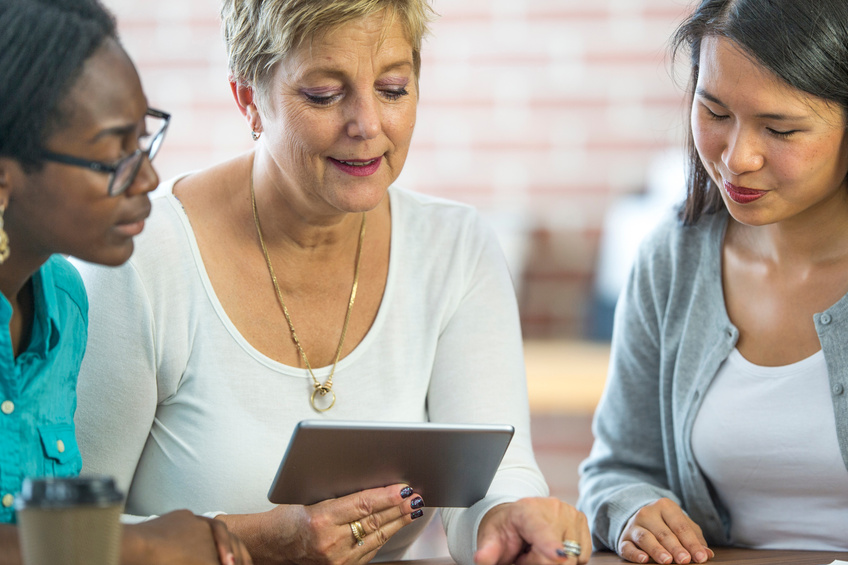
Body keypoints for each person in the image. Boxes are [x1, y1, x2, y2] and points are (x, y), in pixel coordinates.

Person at [69, 0, 592, 564]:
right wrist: (261, 544)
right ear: (249, 98)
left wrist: (506, 519)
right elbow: (66, 533)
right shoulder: (142, 255)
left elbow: (490, 482)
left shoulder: (456, 248)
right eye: (323, 94)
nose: (367, 125)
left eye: (393, 88)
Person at [577, 0, 848, 563]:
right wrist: (632, 510)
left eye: (780, 128)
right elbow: (618, 467)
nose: (737, 158)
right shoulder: (672, 260)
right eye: (716, 112)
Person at [0, 1, 253, 564]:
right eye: (114, 153)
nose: (148, 176)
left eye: (142, 141)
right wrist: (138, 546)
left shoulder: (62, 301)